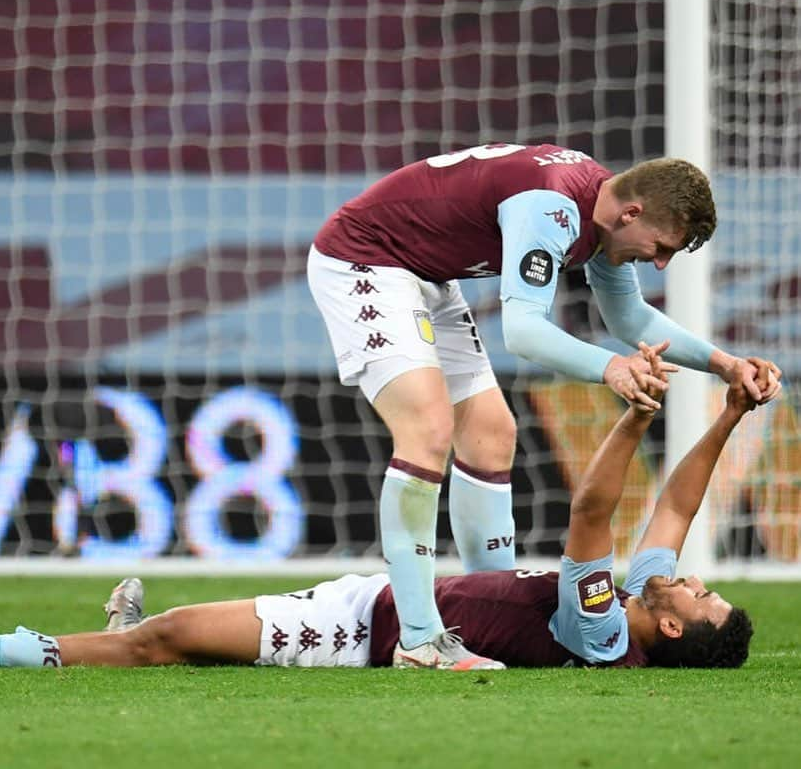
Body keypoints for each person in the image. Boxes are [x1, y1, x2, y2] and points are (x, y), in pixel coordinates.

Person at [0, 347, 775, 670]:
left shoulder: (601, 631)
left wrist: (631, 417)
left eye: (697, 597)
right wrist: (729, 413)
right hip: (381, 607)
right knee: (184, 635)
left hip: (359, 642)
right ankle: (139, 629)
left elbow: (592, 512)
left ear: (665, 629)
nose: (690, 579)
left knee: (170, 639)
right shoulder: (642, 599)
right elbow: (675, 508)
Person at [305, 141, 781, 669]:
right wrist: (611, 368)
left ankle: (483, 615)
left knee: (491, 432)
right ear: (633, 213)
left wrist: (725, 365)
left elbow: (631, 319)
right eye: (663, 246)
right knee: (429, 428)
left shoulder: (600, 216)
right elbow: (524, 332)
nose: (662, 263)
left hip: (428, 277)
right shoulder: (550, 206)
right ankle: (419, 639)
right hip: (365, 259)